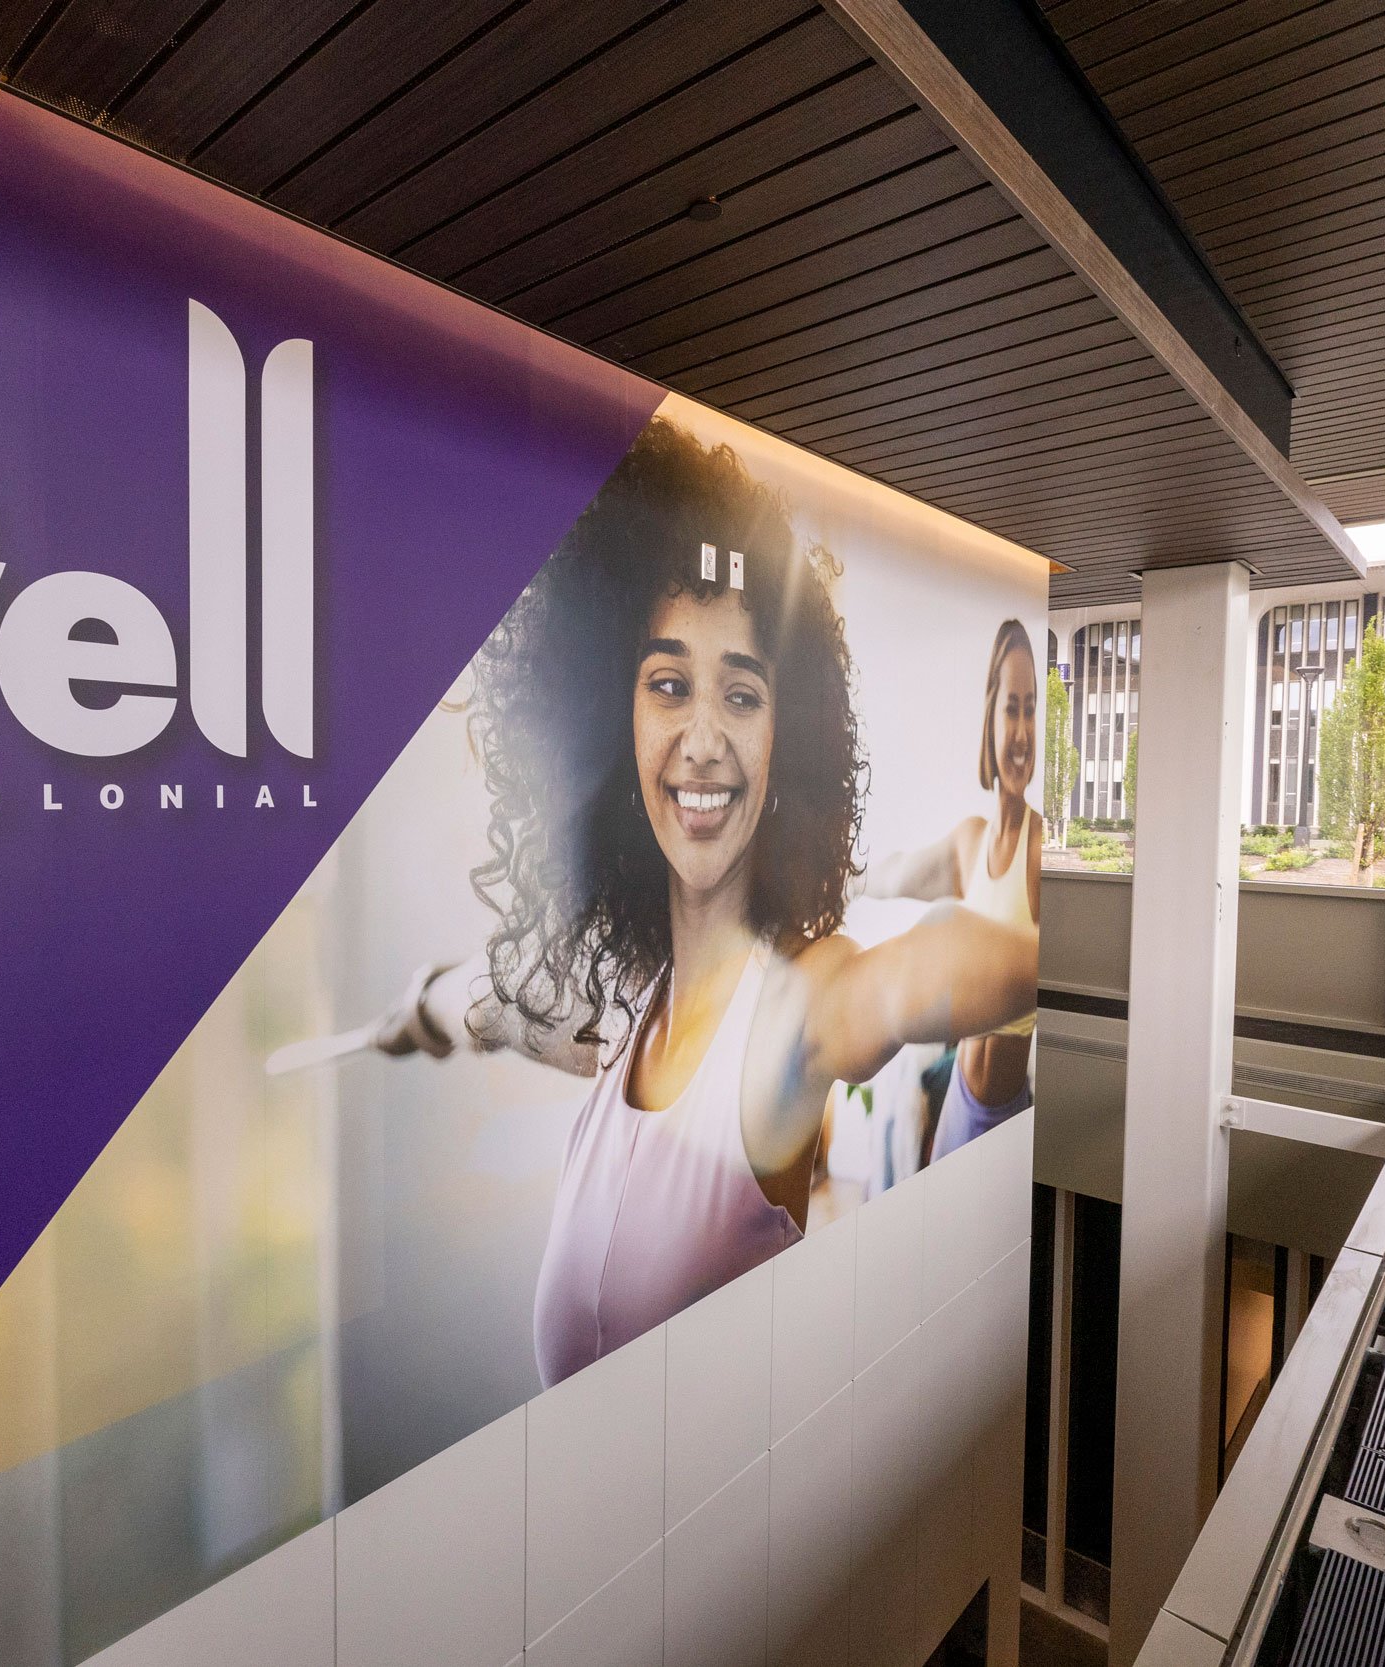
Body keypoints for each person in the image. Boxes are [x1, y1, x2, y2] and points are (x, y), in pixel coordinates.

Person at [369, 420, 1037, 1386]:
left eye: (743, 695)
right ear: (614, 716)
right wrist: (419, 1008)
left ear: (785, 737)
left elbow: (935, 971)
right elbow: (492, 1003)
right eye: (670, 685)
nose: (705, 739)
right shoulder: (622, 1016)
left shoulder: (795, 1017)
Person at [861, 619, 1043, 1163]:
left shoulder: (1043, 848)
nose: (1023, 731)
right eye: (1012, 707)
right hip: (957, 1100)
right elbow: (897, 873)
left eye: (1032, 709)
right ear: (990, 715)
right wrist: (840, 876)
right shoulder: (971, 842)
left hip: (1003, 1114)